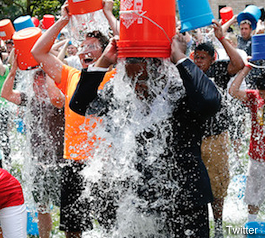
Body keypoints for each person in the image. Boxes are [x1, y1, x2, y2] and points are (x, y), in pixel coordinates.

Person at [68, 33, 221, 236]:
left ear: (160, 71)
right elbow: (80, 105)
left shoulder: (180, 93)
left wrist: (179, 56)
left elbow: (210, 101)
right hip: (140, 201)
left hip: (186, 201)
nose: (137, 86)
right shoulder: (122, 97)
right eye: (131, 80)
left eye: (143, 79)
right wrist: (104, 60)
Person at [31, 1, 116, 237]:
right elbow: (38, 52)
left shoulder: (116, 75)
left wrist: (108, 14)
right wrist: (63, 21)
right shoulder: (71, 74)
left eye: (92, 46)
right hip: (74, 160)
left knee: (113, 227)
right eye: (82, 46)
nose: (85, 51)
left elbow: (126, 46)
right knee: (72, 230)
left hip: (105, 164)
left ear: (105, 52)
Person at [1, 54, 65, 238]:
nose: (37, 86)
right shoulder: (30, 99)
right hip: (38, 163)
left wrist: (47, 66)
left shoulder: (58, 101)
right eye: (35, 82)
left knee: (65, 207)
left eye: (41, 82)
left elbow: (56, 96)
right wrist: (13, 70)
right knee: (42, 207)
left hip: (59, 163)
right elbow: (6, 94)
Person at [192, 20, 245, 238]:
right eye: (196, 57)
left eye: (202, 58)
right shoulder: (188, 72)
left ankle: (220, 227)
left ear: (212, 59)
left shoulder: (220, 70)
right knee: (196, 185)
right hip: (194, 139)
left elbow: (239, 63)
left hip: (216, 138)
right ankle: (201, 225)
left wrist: (221, 37)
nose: (198, 62)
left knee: (218, 185)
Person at [228, 63, 265, 224]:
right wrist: (246, 68)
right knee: (253, 194)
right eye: (262, 94)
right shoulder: (254, 97)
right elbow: (233, 91)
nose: (263, 97)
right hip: (257, 156)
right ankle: (251, 223)